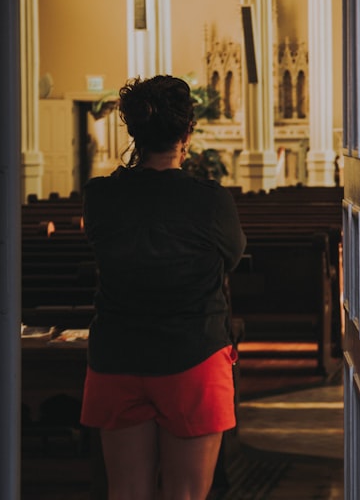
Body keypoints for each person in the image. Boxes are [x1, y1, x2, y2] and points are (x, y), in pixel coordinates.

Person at [80, 75, 246, 500]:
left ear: (134, 131)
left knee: (126, 493)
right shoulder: (210, 201)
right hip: (193, 354)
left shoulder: (101, 196)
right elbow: (229, 259)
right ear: (187, 133)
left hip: (118, 355)